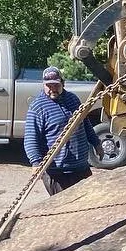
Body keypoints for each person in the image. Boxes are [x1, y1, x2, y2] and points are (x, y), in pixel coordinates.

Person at [23, 66, 99, 194]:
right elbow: (31, 139)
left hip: (81, 167)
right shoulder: (37, 108)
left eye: (56, 85)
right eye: (49, 86)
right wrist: (36, 163)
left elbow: (85, 124)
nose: (52, 89)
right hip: (57, 172)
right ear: (43, 85)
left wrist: (96, 143)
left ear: (63, 84)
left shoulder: (73, 99)